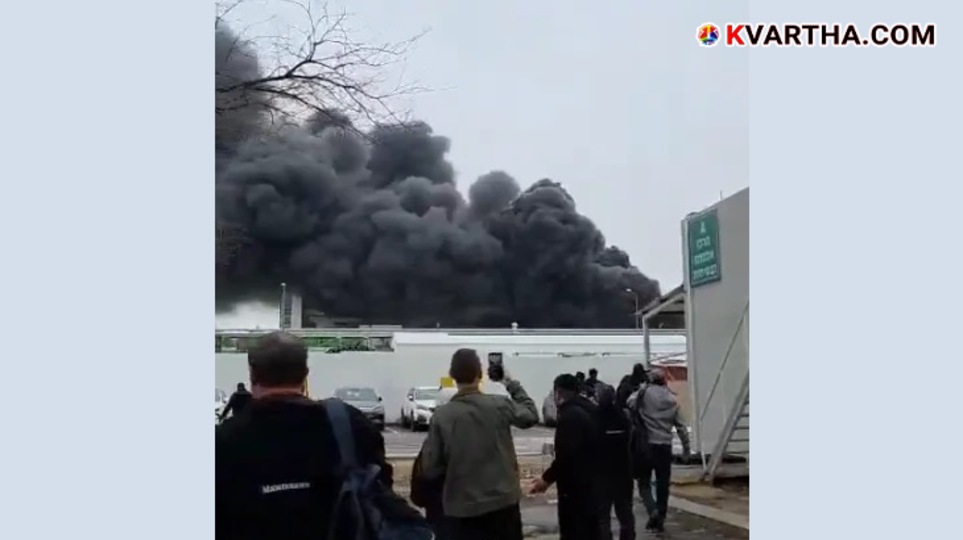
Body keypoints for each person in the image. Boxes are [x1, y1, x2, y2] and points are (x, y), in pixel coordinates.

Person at [216, 331, 414, 540]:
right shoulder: (350, 425)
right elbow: (380, 494)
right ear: (305, 373)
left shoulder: (224, 439)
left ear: (252, 374)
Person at [419, 348, 540, 540]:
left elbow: (431, 467)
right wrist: (509, 382)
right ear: (480, 374)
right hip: (503, 505)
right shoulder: (499, 405)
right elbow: (531, 415)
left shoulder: (442, 416)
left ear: (452, 376)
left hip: (460, 510)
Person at [530, 374, 603, 540]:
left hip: (575, 489)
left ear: (559, 392)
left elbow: (566, 455)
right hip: (594, 483)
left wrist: (546, 479)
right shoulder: (590, 409)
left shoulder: (570, 416)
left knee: (574, 531)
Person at [627, 368, 692, 533]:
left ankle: (652, 510)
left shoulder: (643, 394)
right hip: (665, 446)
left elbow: (629, 403)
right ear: (664, 381)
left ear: (649, 380)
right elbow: (682, 428)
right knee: (663, 484)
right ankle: (661, 516)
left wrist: (641, 389)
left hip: (646, 445)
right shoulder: (673, 399)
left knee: (644, 482)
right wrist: (686, 450)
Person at [595, 383, 635, 540]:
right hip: (623, 471)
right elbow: (631, 441)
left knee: (603, 516)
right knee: (625, 514)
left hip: (602, 473)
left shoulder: (594, 418)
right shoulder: (624, 417)